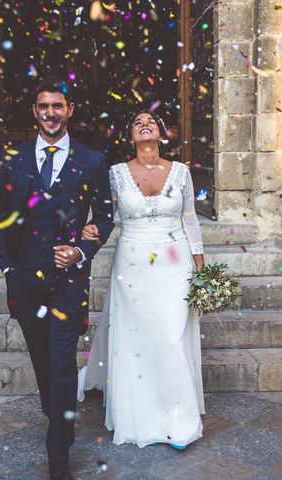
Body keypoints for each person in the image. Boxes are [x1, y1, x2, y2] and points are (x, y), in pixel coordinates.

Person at [0, 76, 114, 480]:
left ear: (69, 110)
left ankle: (58, 451)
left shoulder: (93, 161)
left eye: (57, 106)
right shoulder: (14, 160)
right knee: (43, 362)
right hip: (26, 280)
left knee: (63, 363)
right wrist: (9, 270)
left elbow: (104, 217)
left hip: (68, 283)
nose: (51, 113)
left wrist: (82, 251)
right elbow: (3, 219)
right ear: (35, 111)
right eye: (44, 106)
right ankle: (56, 413)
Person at [78, 110, 206, 449]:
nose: (145, 123)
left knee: (171, 335)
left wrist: (202, 271)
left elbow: (190, 220)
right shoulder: (116, 173)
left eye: (151, 121)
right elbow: (106, 216)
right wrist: (89, 228)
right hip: (132, 264)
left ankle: (179, 417)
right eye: (137, 122)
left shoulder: (181, 172)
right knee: (138, 342)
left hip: (175, 262)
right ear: (132, 137)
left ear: (161, 134)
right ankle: (139, 414)